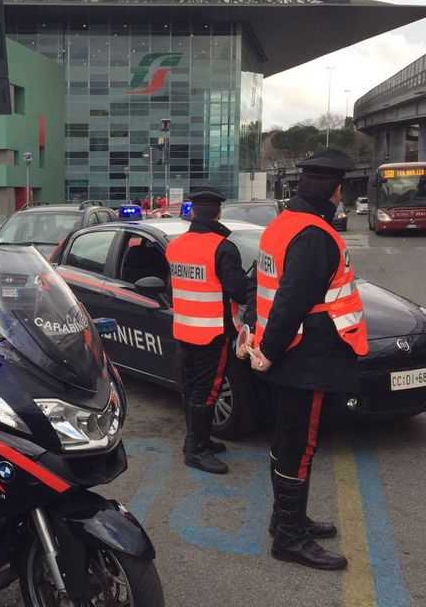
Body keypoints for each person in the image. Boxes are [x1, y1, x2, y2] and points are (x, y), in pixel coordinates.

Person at [245, 149, 367, 571]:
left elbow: (260, 288)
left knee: (287, 443)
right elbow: (291, 303)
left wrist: (260, 346)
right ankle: (289, 538)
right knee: (300, 446)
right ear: (334, 192)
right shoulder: (315, 235)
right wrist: (269, 353)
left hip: (285, 356)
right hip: (305, 359)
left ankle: (288, 520)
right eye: (340, 191)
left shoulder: (282, 226)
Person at [165, 187, 251, 474]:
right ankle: (196, 450)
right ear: (218, 212)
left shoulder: (175, 245)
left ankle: (198, 439)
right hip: (212, 331)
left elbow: (175, 286)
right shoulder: (222, 247)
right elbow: (238, 291)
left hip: (184, 328)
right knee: (208, 391)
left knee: (191, 388)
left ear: (193, 212)